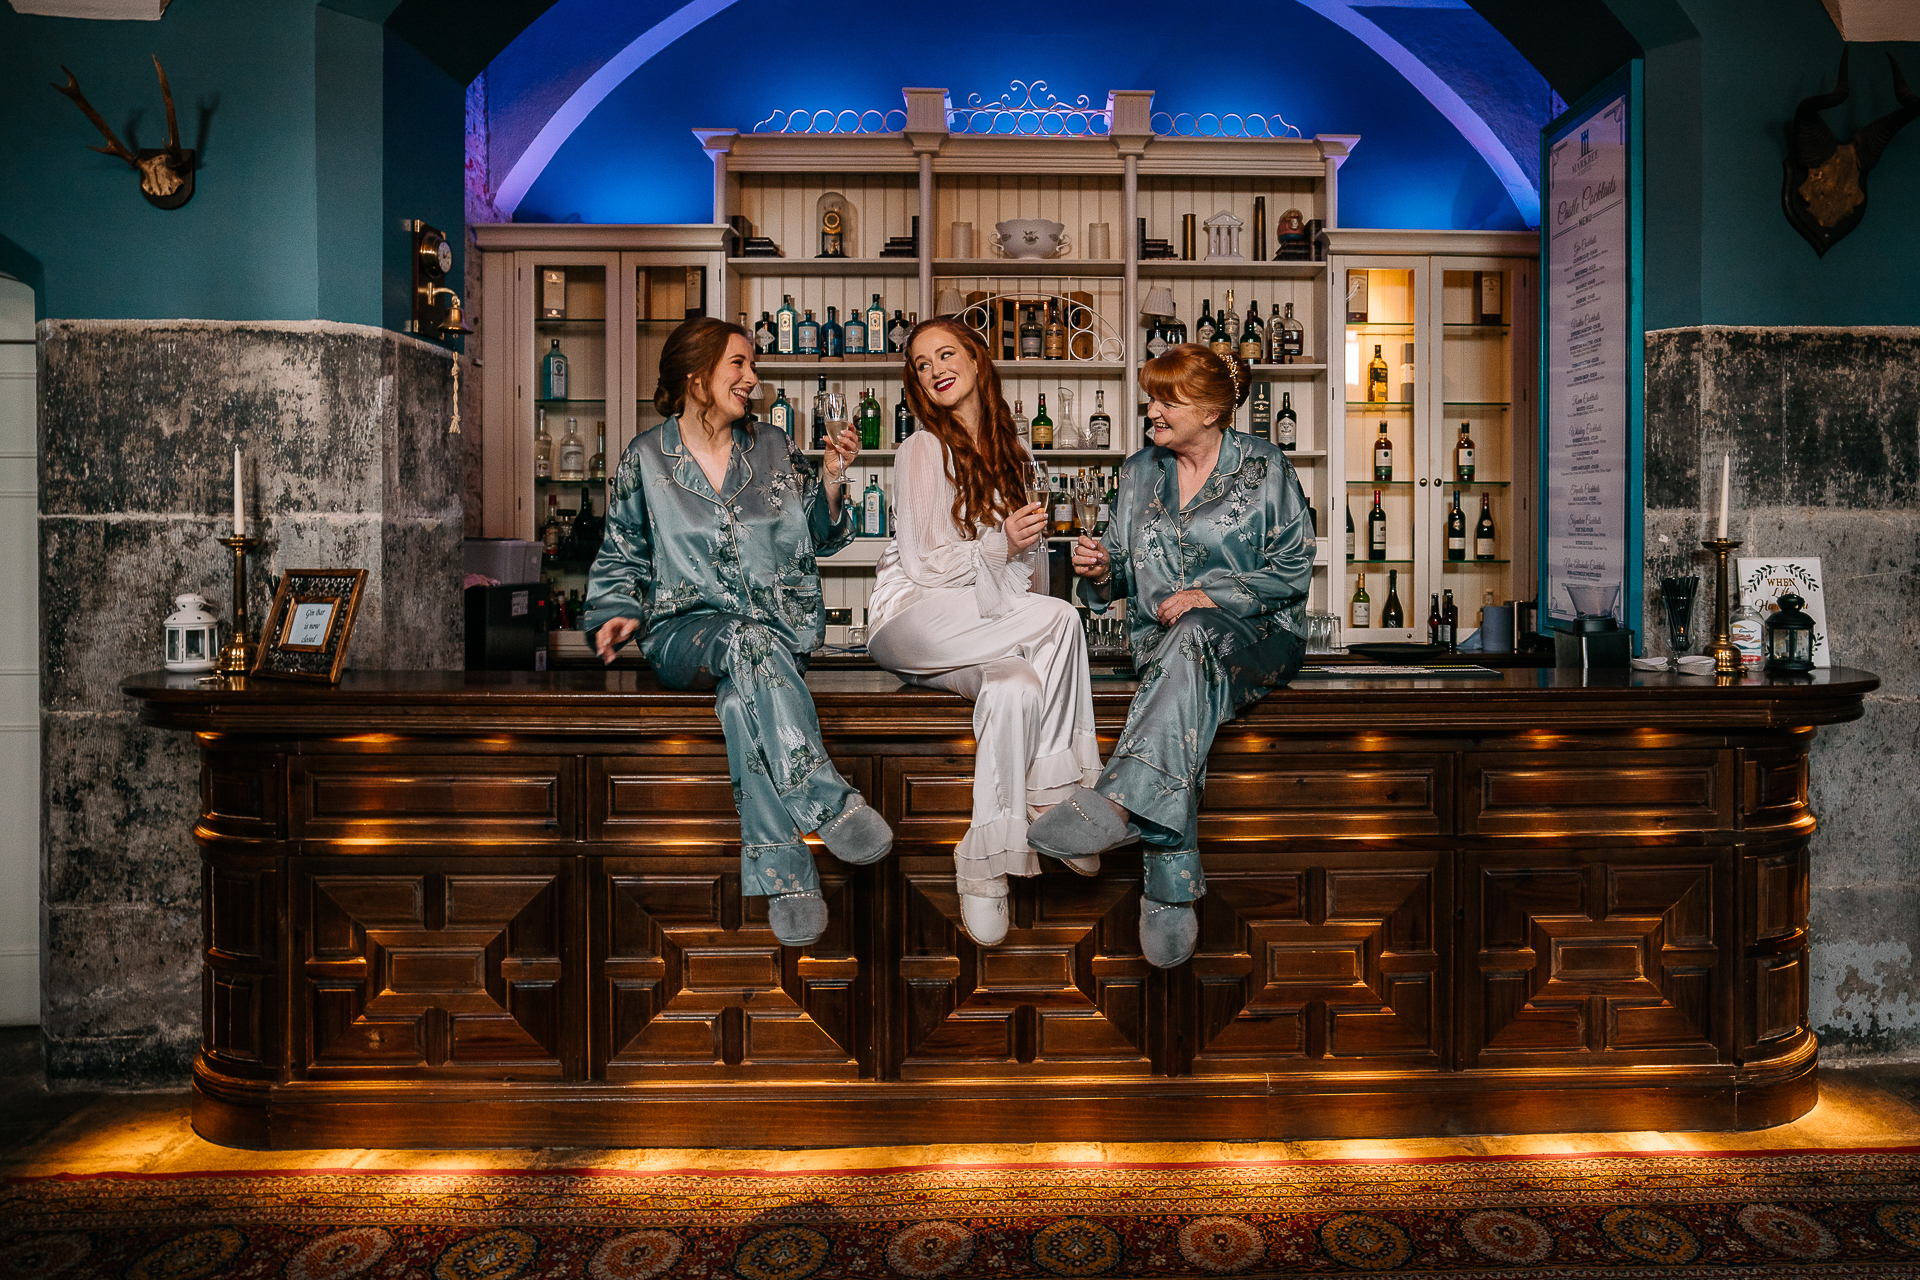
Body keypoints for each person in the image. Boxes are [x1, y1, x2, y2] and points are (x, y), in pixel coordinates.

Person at [584, 317, 893, 948]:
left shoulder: (774, 447)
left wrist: (833, 477)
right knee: (747, 646)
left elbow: (825, 536)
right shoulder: (645, 458)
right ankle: (829, 805)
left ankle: (787, 874)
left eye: (753, 366)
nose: (753, 379)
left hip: (773, 638)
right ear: (696, 376)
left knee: (738, 701)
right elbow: (621, 553)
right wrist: (616, 608)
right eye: (739, 366)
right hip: (683, 631)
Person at [1026, 344, 1312, 969]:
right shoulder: (1136, 473)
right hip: (1162, 651)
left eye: (1167, 400)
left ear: (1211, 409)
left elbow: (1293, 573)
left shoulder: (1267, 467)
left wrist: (1209, 593)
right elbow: (1115, 581)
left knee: (1200, 632)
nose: (1151, 410)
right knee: (1185, 660)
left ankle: (1120, 803)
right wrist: (1098, 571)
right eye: (1150, 397)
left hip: (1258, 641)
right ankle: (1167, 883)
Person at [865, 318, 1101, 946]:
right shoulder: (920, 448)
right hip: (909, 617)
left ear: (976, 359)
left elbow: (1015, 581)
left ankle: (985, 865)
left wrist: (1016, 550)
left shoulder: (1014, 458)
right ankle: (1056, 801)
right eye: (921, 364)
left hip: (974, 628)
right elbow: (926, 565)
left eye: (946, 354)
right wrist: (1000, 543)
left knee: (1017, 687)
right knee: (1063, 618)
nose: (935, 369)